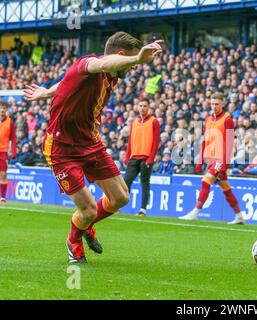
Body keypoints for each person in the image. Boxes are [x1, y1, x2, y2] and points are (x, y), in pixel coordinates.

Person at [24, 31, 164, 263]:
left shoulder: (108, 73)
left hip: (90, 142)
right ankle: (74, 240)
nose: (130, 70)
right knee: (87, 210)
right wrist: (137, 58)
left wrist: (48, 91)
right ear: (120, 55)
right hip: (62, 148)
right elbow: (99, 64)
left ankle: (86, 225)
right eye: (128, 62)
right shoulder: (89, 63)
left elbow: (68, 80)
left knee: (120, 198)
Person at [179, 92, 246, 224]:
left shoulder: (227, 119)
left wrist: (225, 163)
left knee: (205, 181)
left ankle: (195, 212)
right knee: (226, 189)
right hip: (210, 159)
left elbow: (230, 142)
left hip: (220, 159)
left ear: (222, 104)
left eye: (217, 104)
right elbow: (205, 140)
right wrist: (199, 161)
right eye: (212, 104)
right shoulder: (208, 119)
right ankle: (239, 216)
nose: (214, 106)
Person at [124, 98, 160, 216]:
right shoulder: (134, 121)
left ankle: (143, 210)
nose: (142, 108)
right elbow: (130, 140)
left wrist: (151, 158)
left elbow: (155, 142)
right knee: (126, 181)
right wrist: (127, 156)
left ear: (148, 107)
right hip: (134, 157)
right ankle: (118, 206)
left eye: (145, 106)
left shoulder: (154, 121)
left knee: (144, 183)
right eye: (140, 106)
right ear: (137, 107)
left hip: (146, 158)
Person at [0, 102, 17, 203]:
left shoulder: (10, 122)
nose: (2, 110)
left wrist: (13, 151)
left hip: (3, 152)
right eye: (0, 108)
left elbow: (13, 138)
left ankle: (2, 197)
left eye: (4, 108)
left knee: (3, 174)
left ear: (6, 110)